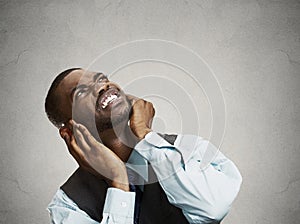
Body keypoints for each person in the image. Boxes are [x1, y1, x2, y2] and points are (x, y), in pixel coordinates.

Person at [45, 68, 242, 224]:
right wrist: (118, 180)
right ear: (69, 132)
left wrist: (145, 135)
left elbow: (211, 210)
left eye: (102, 79)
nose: (102, 87)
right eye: (80, 92)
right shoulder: (68, 205)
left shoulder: (188, 148)